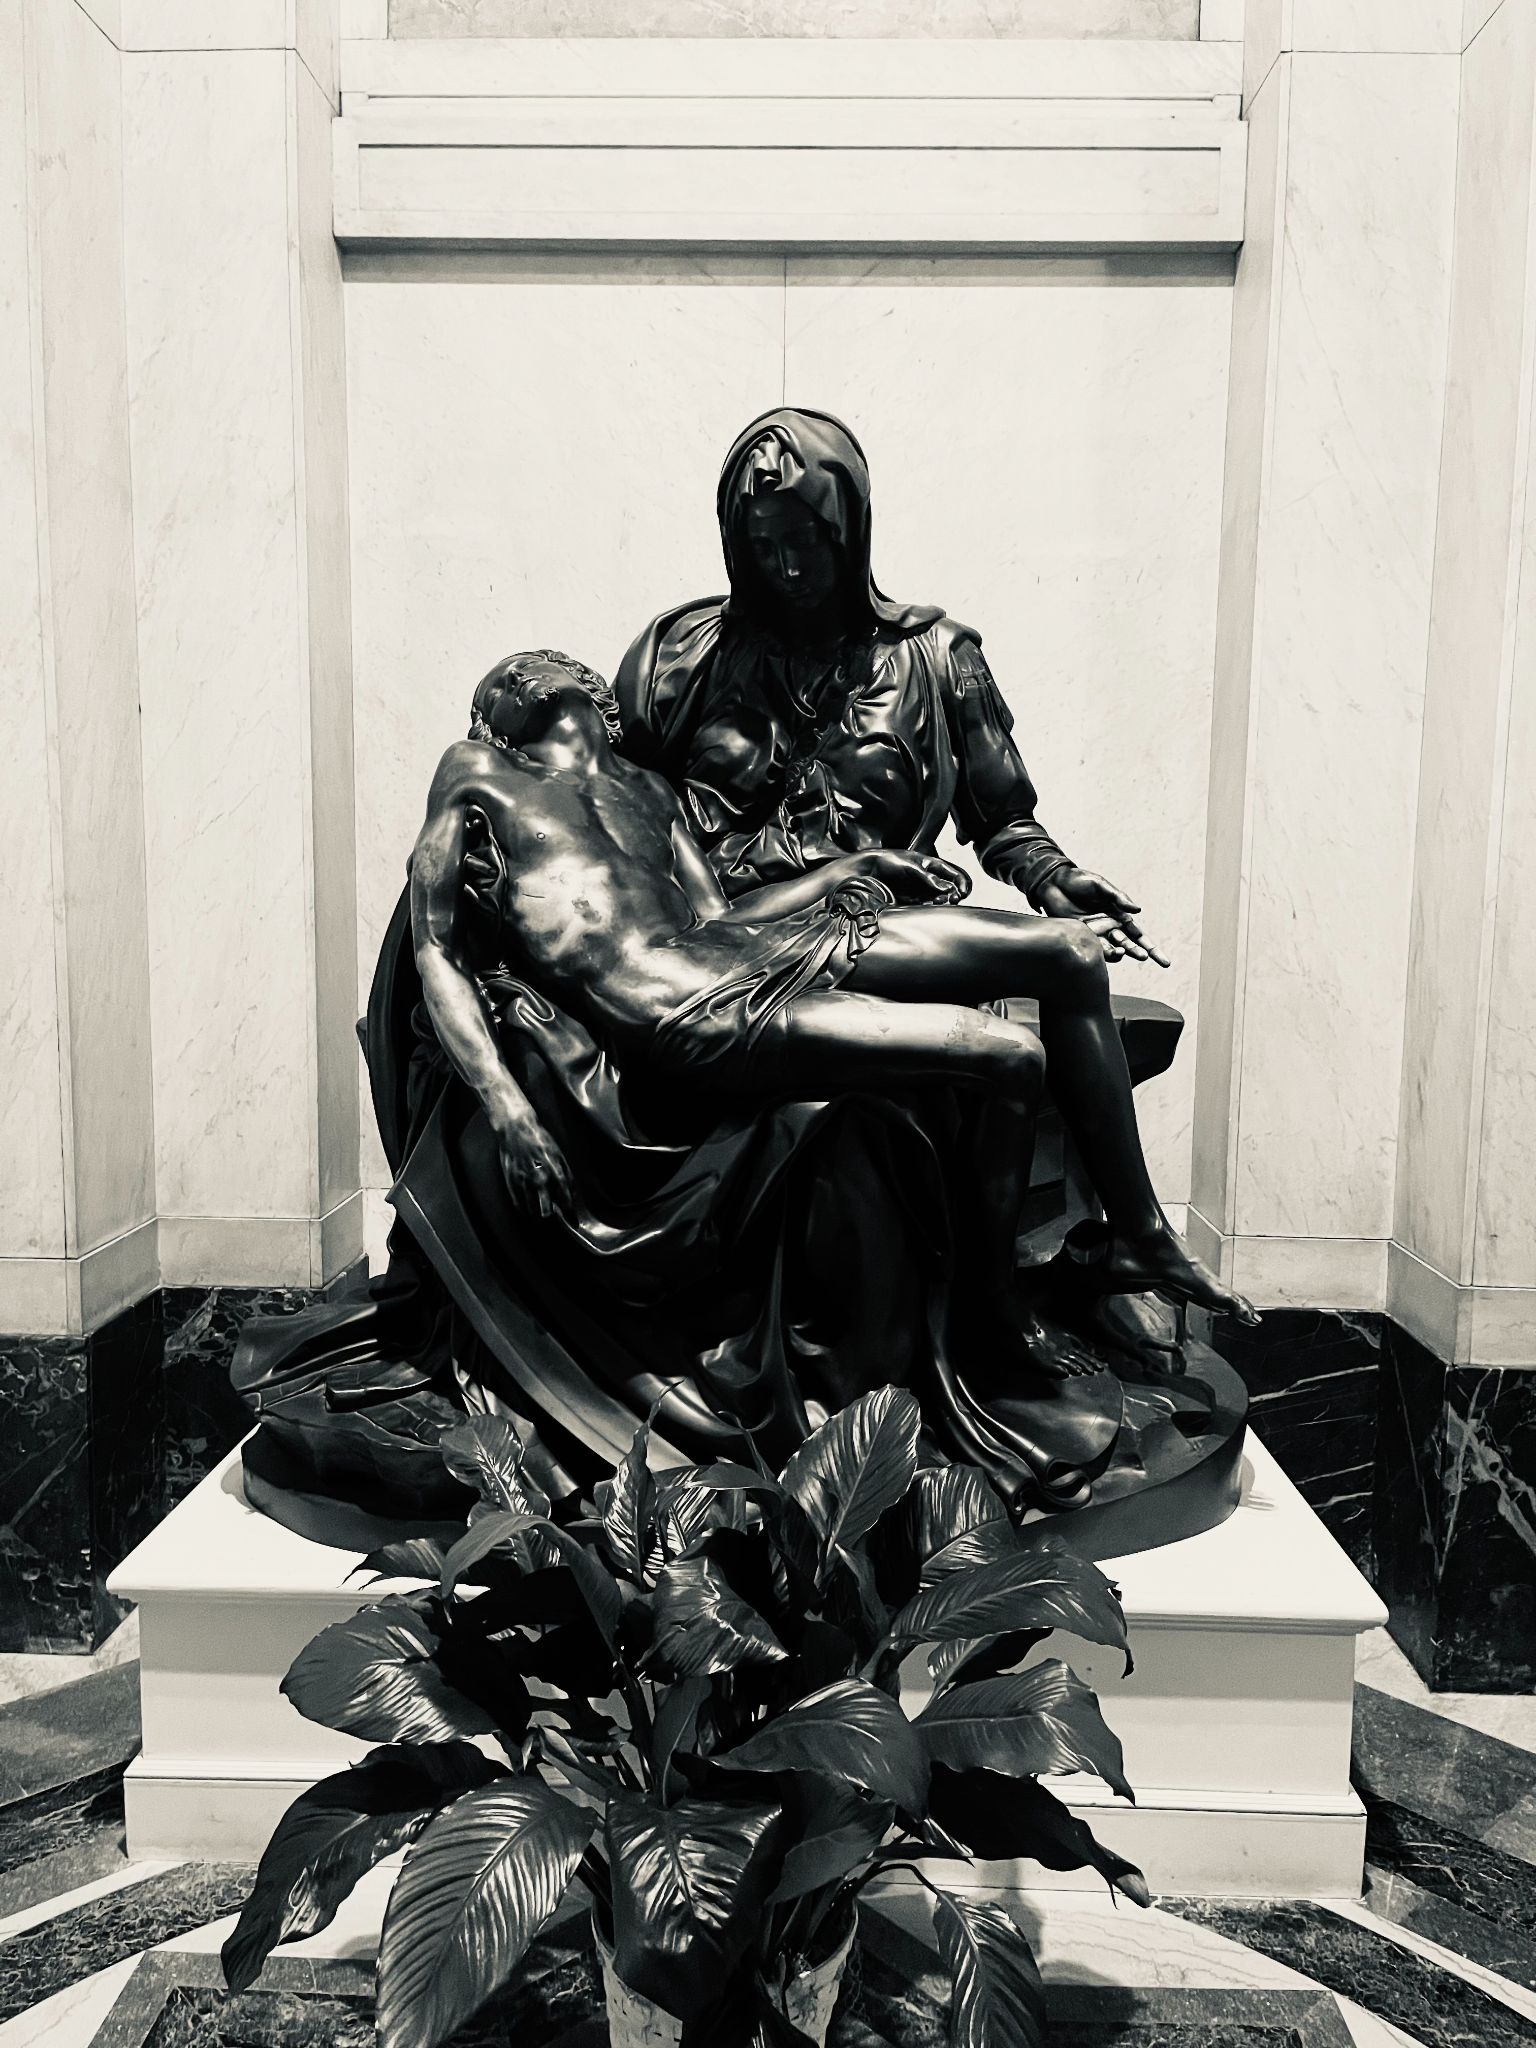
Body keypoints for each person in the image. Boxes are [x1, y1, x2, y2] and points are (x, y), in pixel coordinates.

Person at [422, 651, 1253, 1404]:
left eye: (539, 662)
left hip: (747, 952)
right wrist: (508, 1106)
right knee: (1009, 1054)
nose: (519, 671)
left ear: (592, 691)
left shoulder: (648, 789)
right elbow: (436, 948)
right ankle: (994, 1309)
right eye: (504, 678)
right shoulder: (478, 771)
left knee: (1070, 950)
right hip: (687, 1010)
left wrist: (852, 869)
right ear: (492, 720)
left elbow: (721, 916)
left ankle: (1140, 1237)